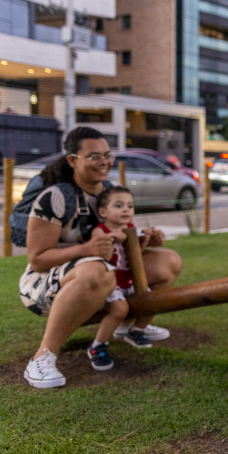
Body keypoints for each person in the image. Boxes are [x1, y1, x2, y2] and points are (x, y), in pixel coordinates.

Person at [20, 127, 181, 388]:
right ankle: (42, 358)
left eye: (107, 155)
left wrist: (144, 240)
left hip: (104, 276)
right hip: (43, 287)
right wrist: (87, 250)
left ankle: (128, 326)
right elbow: (38, 260)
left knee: (168, 261)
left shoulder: (110, 193)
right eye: (94, 156)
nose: (104, 162)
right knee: (98, 270)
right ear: (73, 160)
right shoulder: (55, 198)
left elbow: (121, 245)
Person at [85, 186, 156, 371]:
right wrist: (111, 238)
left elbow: (134, 256)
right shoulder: (99, 231)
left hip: (128, 280)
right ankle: (98, 345)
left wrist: (144, 240)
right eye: (119, 205)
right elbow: (103, 259)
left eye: (130, 206)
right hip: (111, 283)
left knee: (152, 302)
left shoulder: (130, 228)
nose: (126, 210)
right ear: (103, 212)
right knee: (119, 309)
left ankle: (136, 331)